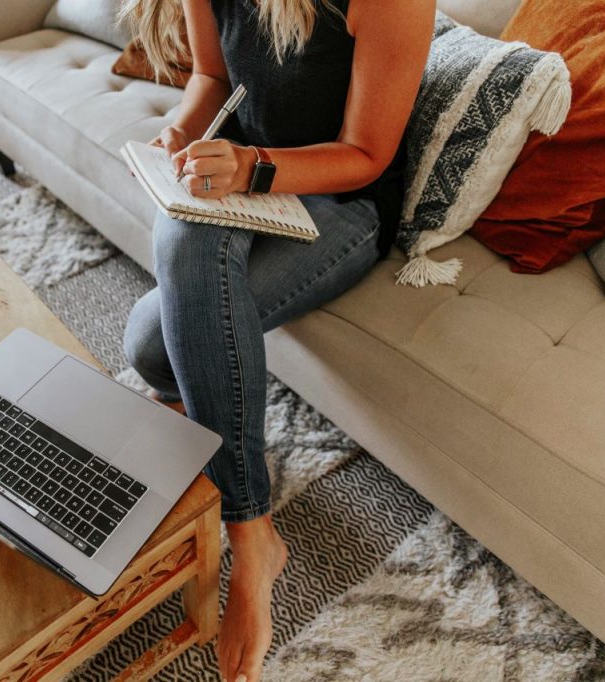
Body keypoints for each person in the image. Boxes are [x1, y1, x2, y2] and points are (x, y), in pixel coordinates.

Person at [121, 0, 434, 679]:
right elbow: (210, 75)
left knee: (170, 314)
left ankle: (250, 530)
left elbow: (366, 154)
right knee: (147, 346)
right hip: (247, 172)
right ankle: (247, 517)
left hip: (339, 199)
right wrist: (178, 135)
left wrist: (251, 167)